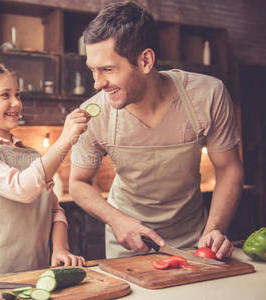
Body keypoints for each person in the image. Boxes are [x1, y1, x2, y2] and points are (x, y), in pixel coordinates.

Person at [69, 1, 244, 260]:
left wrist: (214, 230)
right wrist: (116, 220)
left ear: (146, 60)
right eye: (93, 70)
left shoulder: (208, 95)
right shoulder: (93, 114)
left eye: (108, 69)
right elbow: (77, 183)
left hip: (194, 239)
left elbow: (229, 167)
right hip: (127, 243)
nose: (97, 83)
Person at [0, 61, 88, 277]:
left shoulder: (32, 156)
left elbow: (54, 210)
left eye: (18, 94)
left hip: (36, 273)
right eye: (5, 95)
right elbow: (21, 189)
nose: (16, 102)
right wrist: (65, 140)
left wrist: (61, 248)